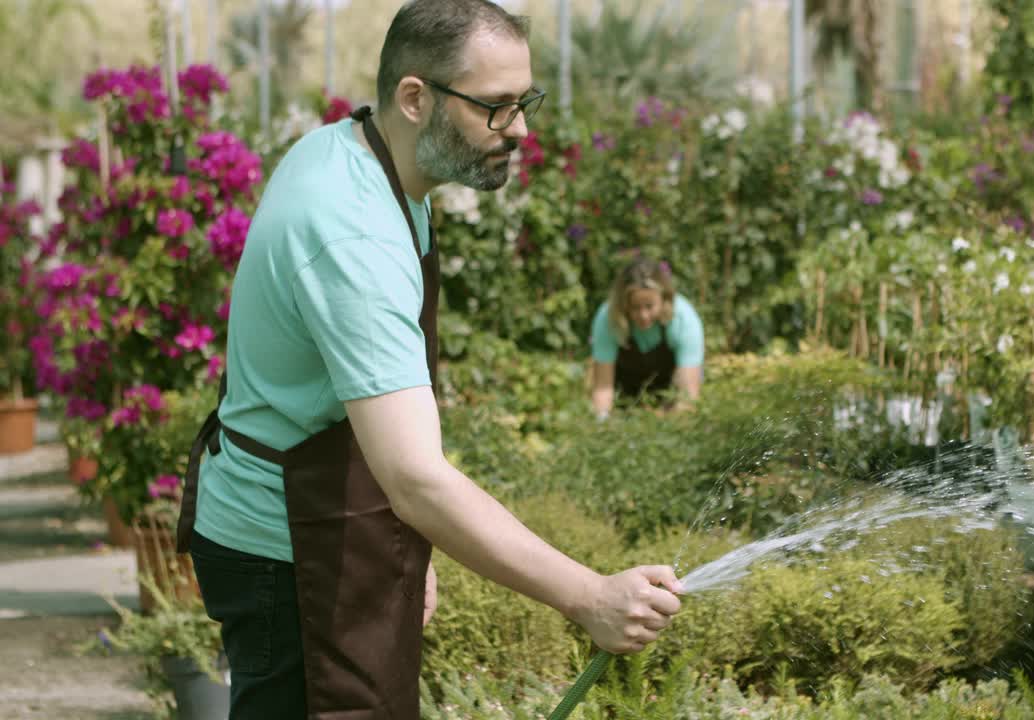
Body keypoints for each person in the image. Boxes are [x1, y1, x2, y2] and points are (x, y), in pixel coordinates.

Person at [173, 2, 683, 718]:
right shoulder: (352, 232)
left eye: (525, 101)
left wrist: (412, 545)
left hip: (329, 512)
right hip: (286, 554)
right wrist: (590, 597)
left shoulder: (353, 152)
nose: (523, 131)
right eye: (497, 108)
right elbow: (413, 475)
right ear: (415, 98)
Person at [589, 256, 705, 419]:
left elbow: (688, 395)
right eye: (635, 307)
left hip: (671, 398)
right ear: (623, 303)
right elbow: (603, 388)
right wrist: (603, 423)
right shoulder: (607, 319)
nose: (643, 315)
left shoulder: (684, 319)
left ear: (664, 299)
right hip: (624, 400)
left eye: (649, 306)